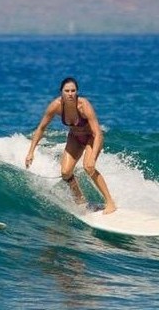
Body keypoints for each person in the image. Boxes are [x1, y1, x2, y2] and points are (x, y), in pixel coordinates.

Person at [25, 77, 116, 214]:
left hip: (92, 137)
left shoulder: (83, 105)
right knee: (65, 173)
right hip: (75, 137)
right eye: (67, 91)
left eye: (73, 91)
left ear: (77, 92)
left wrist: (93, 157)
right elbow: (41, 128)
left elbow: (97, 133)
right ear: (61, 92)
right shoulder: (56, 105)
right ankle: (80, 200)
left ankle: (110, 202)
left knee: (89, 166)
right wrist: (31, 152)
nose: (70, 94)